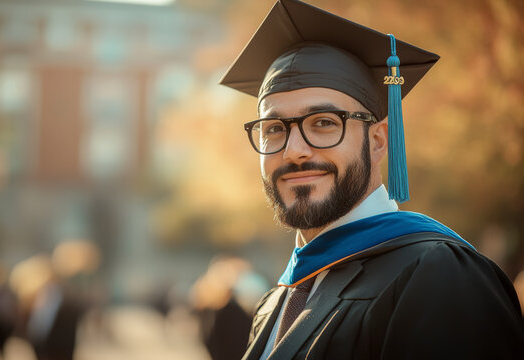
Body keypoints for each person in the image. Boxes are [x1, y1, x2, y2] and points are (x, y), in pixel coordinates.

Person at [219, 1, 524, 359]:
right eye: (273, 129)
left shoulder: (438, 276)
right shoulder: (274, 304)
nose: (294, 151)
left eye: (323, 123)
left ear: (378, 141)